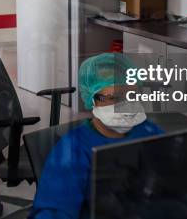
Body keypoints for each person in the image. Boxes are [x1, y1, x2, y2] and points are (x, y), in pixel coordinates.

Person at [29, 53, 164, 219]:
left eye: (132, 95)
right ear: (92, 99)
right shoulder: (74, 149)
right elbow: (53, 211)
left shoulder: (149, 132)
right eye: (113, 98)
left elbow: (172, 181)